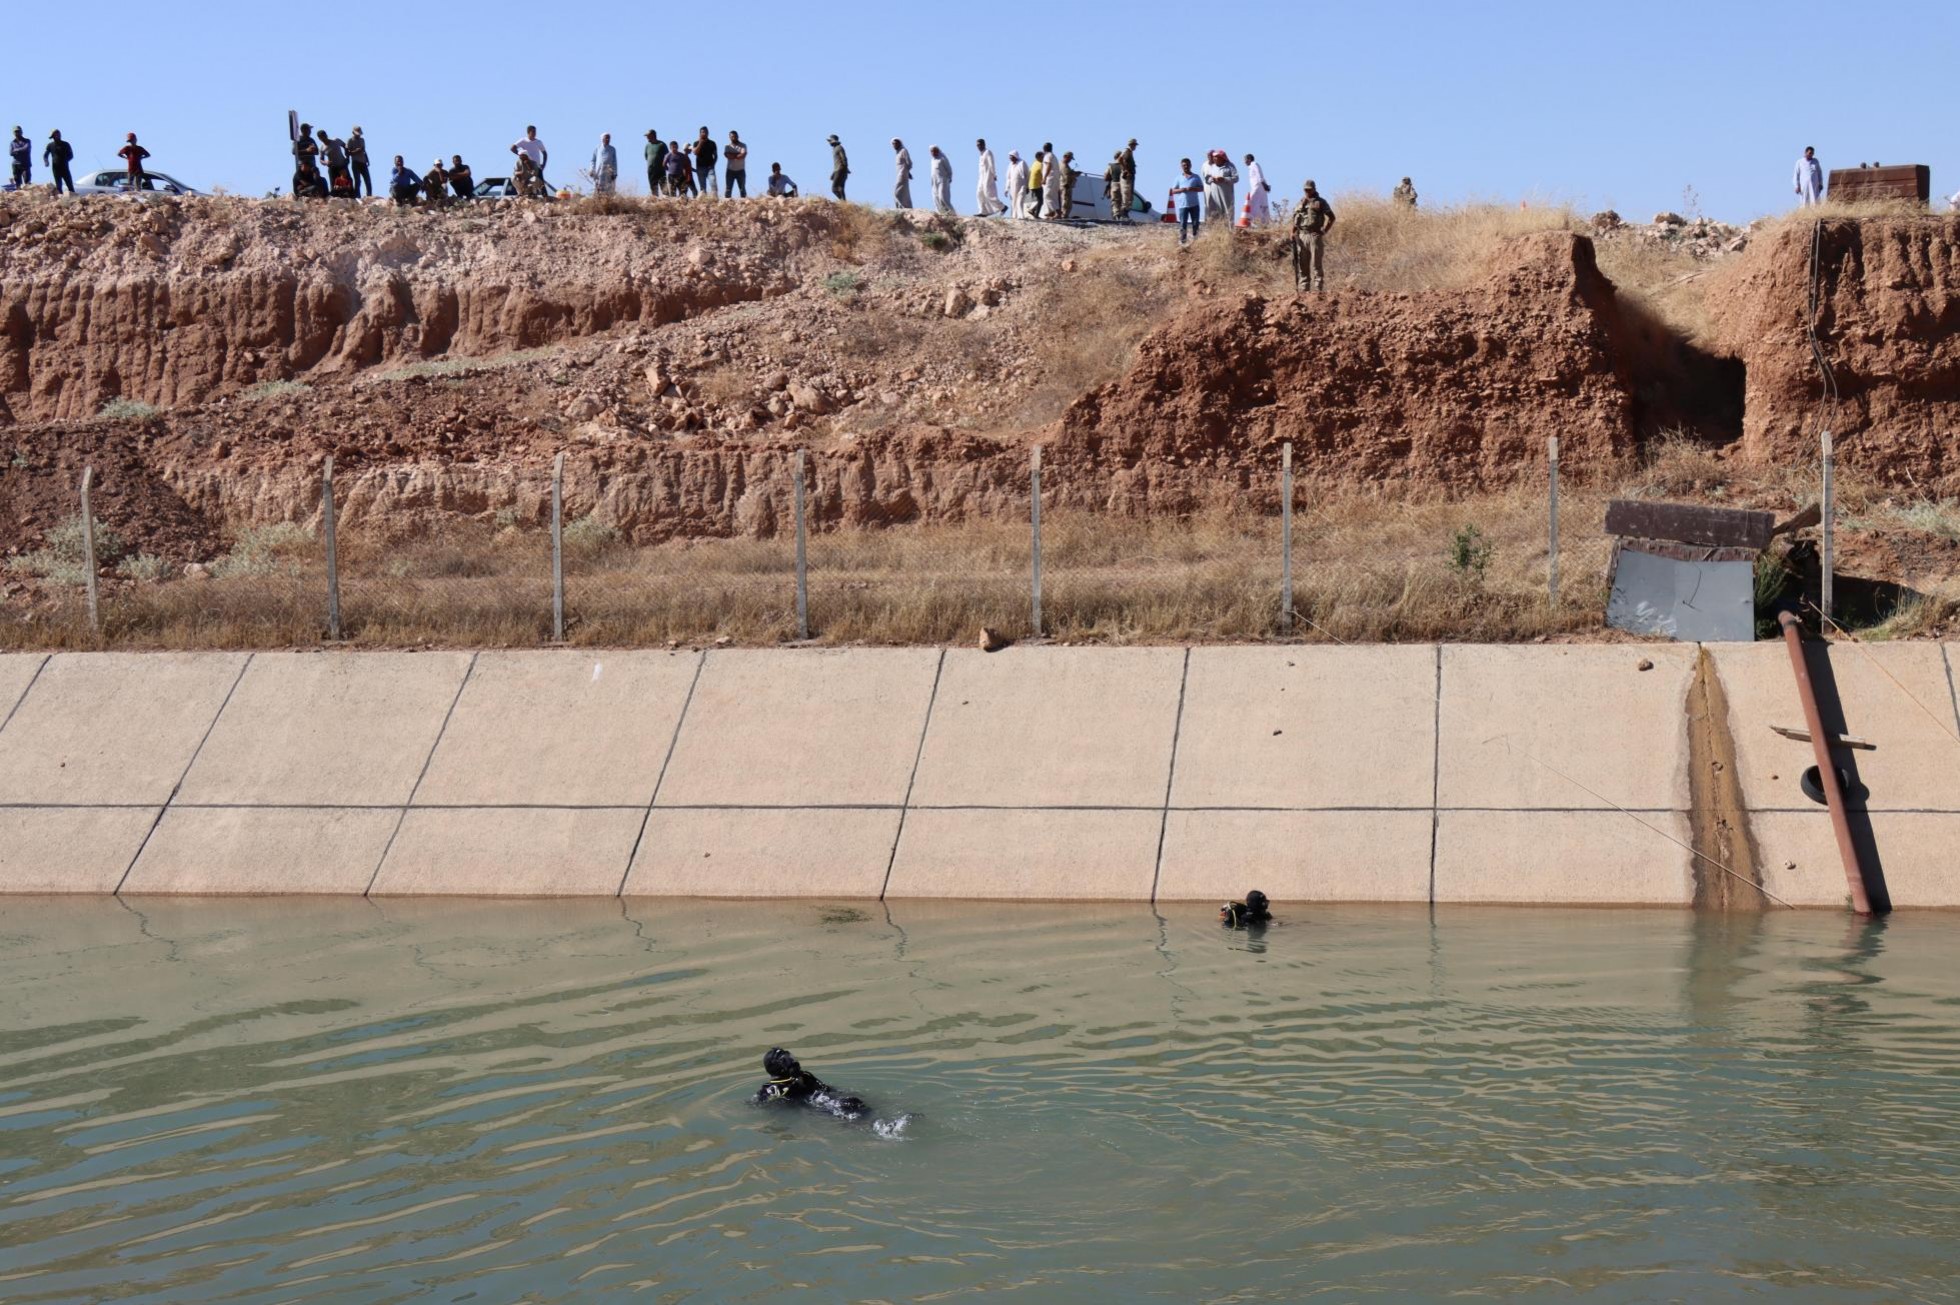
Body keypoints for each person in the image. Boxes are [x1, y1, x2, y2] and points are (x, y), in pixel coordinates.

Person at [753, 1047, 869, 1119]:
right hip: (826, 1106)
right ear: (780, 1067)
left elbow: (827, 1089)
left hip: (826, 1106)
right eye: (788, 1061)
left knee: (851, 1106)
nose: (793, 1062)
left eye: (791, 1059)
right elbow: (757, 1104)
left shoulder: (805, 1076)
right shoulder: (773, 1089)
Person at [1292, 179, 1336, 290]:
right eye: (1305, 190)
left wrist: (1324, 230)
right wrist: (1292, 232)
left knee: (1316, 264)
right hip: (1302, 236)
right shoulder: (1300, 202)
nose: (1307, 191)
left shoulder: (1320, 202)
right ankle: (1304, 289)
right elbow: (1295, 219)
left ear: (1314, 189)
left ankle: (1318, 289)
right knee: (1303, 265)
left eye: (1309, 189)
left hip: (1314, 235)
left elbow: (1331, 217)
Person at [1170, 157, 1203, 244]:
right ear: (1181, 166)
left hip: (1194, 204)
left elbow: (1202, 188)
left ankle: (1196, 241)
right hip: (1183, 205)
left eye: (1187, 165)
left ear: (1190, 165)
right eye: (1184, 165)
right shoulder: (1178, 178)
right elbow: (1173, 190)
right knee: (1183, 224)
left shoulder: (1196, 177)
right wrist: (1182, 190)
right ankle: (1183, 241)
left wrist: (1193, 188)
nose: (1186, 166)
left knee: (1195, 223)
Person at [1202, 150, 1238, 224]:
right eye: (1214, 157)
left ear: (1221, 158)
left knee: (1228, 211)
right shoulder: (1212, 167)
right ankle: (1217, 230)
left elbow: (1236, 178)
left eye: (1216, 157)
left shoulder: (1230, 166)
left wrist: (1224, 179)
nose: (1214, 159)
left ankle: (1229, 231)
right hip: (1214, 194)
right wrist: (1212, 179)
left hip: (1226, 194)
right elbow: (1207, 178)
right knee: (1215, 212)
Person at [511, 125, 548, 191]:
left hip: (536, 166)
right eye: (533, 132)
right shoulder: (523, 140)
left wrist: (543, 164)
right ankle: (524, 193)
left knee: (540, 183)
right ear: (528, 132)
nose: (534, 134)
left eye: (535, 132)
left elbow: (544, 153)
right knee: (524, 180)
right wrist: (520, 155)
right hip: (526, 164)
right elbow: (512, 148)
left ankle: (545, 197)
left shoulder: (538, 142)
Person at [975, 138, 1004, 216]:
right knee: (979, 193)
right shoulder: (981, 154)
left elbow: (991, 164)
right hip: (981, 177)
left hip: (988, 176)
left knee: (988, 194)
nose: (978, 147)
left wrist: (994, 174)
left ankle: (1002, 207)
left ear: (984, 144)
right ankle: (983, 211)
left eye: (980, 145)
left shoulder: (988, 152)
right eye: (977, 145)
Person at [318, 128, 351, 197]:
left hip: (342, 164)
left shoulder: (336, 140)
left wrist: (347, 157)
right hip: (333, 167)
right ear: (319, 138)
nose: (324, 138)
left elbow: (345, 146)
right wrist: (326, 163)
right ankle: (336, 197)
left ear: (326, 135)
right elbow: (321, 159)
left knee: (348, 181)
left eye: (324, 136)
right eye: (321, 137)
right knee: (334, 184)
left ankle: (351, 196)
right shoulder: (322, 148)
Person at [291, 122, 320, 197]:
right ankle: (303, 193)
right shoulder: (298, 140)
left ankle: (317, 190)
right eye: (309, 130)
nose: (310, 132)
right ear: (304, 130)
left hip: (312, 164)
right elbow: (294, 151)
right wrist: (306, 150)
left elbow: (317, 152)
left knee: (315, 178)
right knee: (302, 181)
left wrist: (314, 149)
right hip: (302, 165)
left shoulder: (311, 140)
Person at [1113, 138, 1138, 221]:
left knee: (1129, 195)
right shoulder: (1126, 151)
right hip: (1127, 176)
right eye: (1134, 145)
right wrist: (1126, 170)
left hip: (1130, 176)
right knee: (1126, 195)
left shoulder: (1130, 152)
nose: (1135, 147)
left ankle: (1125, 213)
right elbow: (1120, 159)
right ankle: (1124, 214)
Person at [1243, 153, 1271, 225]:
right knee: (1260, 203)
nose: (1244, 162)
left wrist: (1264, 184)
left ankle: (1255, 220)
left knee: (1252, 202)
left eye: (1245, 160)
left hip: (1258, 186)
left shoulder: (1254, 164)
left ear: (1249, 159)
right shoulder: (1251, 167)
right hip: (1257, 187)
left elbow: (1259, 174)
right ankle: (1262, 222)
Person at [44, 130, 74, 195]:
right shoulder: (50, 145)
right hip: (55, 168)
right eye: (55, 135)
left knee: (69, 184)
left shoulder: (66, 144)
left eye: (57, 135)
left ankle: (74, 198)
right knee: (58, 185)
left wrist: (65, 160)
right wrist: (46, 162)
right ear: (53, 137)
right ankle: (60, 199)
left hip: (65, 167)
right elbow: (45, 155)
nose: (56, 136)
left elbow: (71, 155)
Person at [692, 127, 718, 198]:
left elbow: (715, 155)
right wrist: (700, 143)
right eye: (702, 132)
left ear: (708, 133)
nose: (704, 133)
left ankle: (715, 198)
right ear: (700, 133)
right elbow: (695, 152)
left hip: (710, 167)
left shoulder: (712, 143)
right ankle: (704, 201)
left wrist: (713, 165)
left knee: (713, 183)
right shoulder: (696, 143)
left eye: (705, 132)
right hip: (700, 167)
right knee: (702, 187)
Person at [928, 145, 954, 216]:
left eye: (935, 151)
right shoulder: (932, 160)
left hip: (943, 180)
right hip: (934, 180)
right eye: (932, 151)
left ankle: (951, 212)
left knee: (942, 197)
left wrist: (950, 177)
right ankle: (941, 212)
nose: (933, 153)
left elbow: (949, 169)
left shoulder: (942, 158)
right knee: (936, 197)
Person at [347, 126, 371, 198]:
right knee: (357, 181)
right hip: (355, 162)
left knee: (367, 180)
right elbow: (348, 152)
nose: (358, 135)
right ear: (353, 132)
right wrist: (356, 151)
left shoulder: (362, 140)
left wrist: (367, 159)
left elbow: (364, 150)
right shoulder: (350, 140)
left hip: (363, 162)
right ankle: (357, 196)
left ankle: (369, 195)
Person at [1053, 150, 1078, 219]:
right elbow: (1066, 176)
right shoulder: (1063, 165)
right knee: (1066, 202)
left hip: (1064, 185)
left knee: (1065, 201)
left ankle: (1063, 214)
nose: (1070, 160)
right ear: (1065, 157)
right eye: (1069, 158)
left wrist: (1073, 173)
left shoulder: (1061, 164)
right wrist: (1074, 175)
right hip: (1065, 185)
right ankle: (1064, 215)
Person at [1041, 143, 1063, 219]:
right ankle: (1052, 212)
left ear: (1044, 149)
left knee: (1047, 195)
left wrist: (1044, 178)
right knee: (1053, 196)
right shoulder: (1053, 156)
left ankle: (1057, 212)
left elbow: (1049, 165)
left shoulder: (1047, 156)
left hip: (1050, 178)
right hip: (1055, 178)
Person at [724, 130, 748, 198]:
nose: (733, 138)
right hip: (730, 170)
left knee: (742, 189)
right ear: (729, 137)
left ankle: (744, 204)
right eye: (732, 137)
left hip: (740, 170)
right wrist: (738, 155)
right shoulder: (727, 146)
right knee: (728, 189)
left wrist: (733, 155)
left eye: (735, 136)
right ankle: (727, 204)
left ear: (738, 136)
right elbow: (727, 155)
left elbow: (743, 155)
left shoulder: (743, 145)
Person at [1006, 150, 1028, 221]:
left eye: (1011, 156)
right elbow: (1008, 177)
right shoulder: (1010, 165)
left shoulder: (1022, 163)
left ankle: (1021, 216)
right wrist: (1006, 188)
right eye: (1009, 156)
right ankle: (1014, 216)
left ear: (1015, 156)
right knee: (1014, 201)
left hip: (1022, 185)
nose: (1010, 158)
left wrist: (1027, 186)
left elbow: (1027, 175)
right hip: (1013, 186)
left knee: (1020, 200)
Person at [892, 137, 913, 209]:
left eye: (895, 143)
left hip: (902, 174)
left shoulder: (903, 151)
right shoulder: (897, 152)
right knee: (904, 192)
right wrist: (908, 173)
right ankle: (906, 207)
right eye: (893, 144)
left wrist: (906, 171)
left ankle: (900, 207)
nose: (894, 145)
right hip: (899, 174)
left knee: (896, 191)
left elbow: (909, 162)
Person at [1025, 148, 1045, 218]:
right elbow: (1044, 174)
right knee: (1041, 200)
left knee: (1040, 200)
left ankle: (1033, 210)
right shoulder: (1041, 164)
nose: (1044, 158)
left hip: (1031, 184)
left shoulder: (1034, 163)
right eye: (1043, 156)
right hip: (1037, 185)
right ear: (1039, 157)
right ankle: (1035, 214)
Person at [828, 134, 849, 201]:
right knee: (839, 187)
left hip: (840, 169)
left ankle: (843, 202)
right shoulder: (835, 149)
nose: (829, 142)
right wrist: (833, 173)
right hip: (838, 169)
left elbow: (844, 159)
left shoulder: (839, 147)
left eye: (830, 141)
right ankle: (844, 202)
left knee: (834, 188)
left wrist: (845, 168)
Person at [644, 130, 665, 195]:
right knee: (653, 186)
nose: (647, 137)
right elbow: (646, 156)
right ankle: (655, 199)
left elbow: (667, 156)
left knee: (664, 186)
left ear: (653, 135)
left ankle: (666, 200)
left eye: (648, 136)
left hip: (660, 169)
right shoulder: (647, 146)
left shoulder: (661, 144)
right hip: (651, 169)